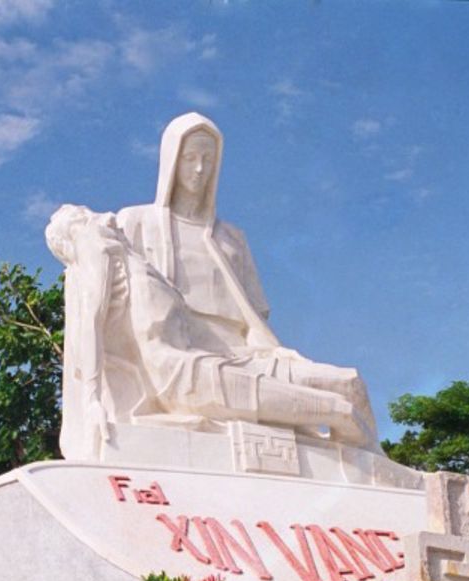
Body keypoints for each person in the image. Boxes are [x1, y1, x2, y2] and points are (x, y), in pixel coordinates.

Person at [46, 112, 378, 460]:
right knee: (336, 408)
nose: (200, 169)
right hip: (187, 360)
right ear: (172, 162)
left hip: (247, 355)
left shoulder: (232, 239)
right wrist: (93, 397)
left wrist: (270, 355)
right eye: (190, 158)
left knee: (351, 384)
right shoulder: (131, 226)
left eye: (208, 159)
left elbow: (256, 319)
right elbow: (98, 307)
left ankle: (375, 471)